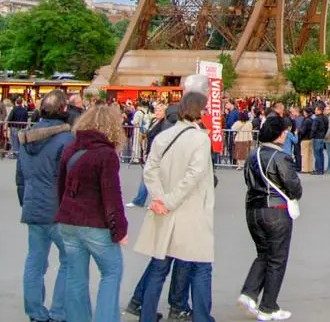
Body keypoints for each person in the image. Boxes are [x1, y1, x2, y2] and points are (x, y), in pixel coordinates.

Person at [135, 92, 216, 322]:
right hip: (190, 210)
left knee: (159, 266)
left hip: (165, 210)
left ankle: (147, 315)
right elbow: (194, 175)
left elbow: (149, 170)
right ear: (199, 110)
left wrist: (159, 198)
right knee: (200, 264)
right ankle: (201, 316)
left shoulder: (164, 136)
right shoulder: (200, 139)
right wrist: (169, 200)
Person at [56, 104, 128, 322]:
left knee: (75, 277)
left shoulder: (71, 149)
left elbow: (61, 186)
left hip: (68, 220)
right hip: (94, 223)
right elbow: (111, 197)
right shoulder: (106, 155)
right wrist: (120, 230)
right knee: (112, 272)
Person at [16, 89, 75, 322]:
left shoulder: (27, 136)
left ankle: (35, 313)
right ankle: (59, 312)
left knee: (35, 261)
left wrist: (26, 202)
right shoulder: (66, 139)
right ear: (64, 110)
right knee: (69, 261)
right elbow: (70, 178)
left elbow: (20, 177)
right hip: (58, 208)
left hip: (34, 205)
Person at [238, 115, 303, 320]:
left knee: (264, 253)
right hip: (275, 210)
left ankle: (249, 292)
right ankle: (268, 306)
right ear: (279, 134)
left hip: (253, 209)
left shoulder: (253, 155)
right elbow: (294, 187)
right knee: (277, 258)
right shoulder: (281, 157)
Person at [311, 103, 330, 175]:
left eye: (316, 110)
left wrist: (311, 136)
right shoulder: (325, 118)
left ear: (319, 110)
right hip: (322, 137)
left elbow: (313, 129)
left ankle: (318, 169)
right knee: (321, 153)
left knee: (317, 154)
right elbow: (326, 127)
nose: (315, 111)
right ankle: (321, 169)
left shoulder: (316, 119)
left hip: (317, 137)